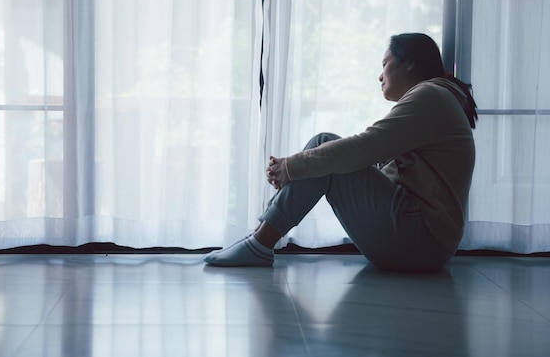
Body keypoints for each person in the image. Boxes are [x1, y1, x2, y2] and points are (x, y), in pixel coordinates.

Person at [204, 33, 478, 272]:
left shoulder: (430, 96)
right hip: (425, 244)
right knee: (330, 154)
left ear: (409, 62)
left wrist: (291, 166)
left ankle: (260, 244)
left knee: (327, 145)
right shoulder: (437, 99)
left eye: (385, 64)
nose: (380, 75)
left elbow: (364, 148)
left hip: (420, 240)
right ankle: (259, 240)